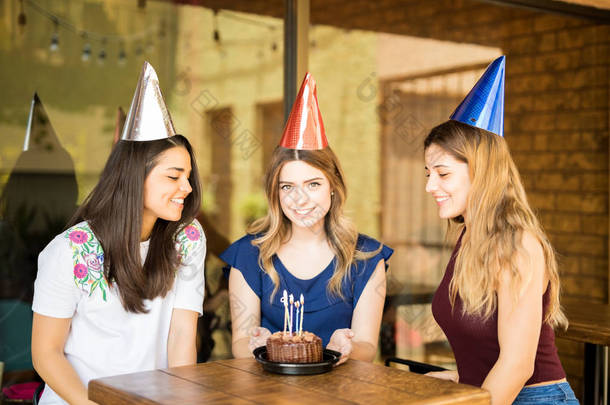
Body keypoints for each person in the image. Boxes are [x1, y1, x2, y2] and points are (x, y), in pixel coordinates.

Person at [31, 62, 206, 405]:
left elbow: (182, 334)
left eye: (187, 175)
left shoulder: (188, 237)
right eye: (173, 176)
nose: (186, 187)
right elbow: (46, 354)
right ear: (133, 177)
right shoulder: (69, 250)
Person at [425, 56, 578, 404]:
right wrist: (461, 378)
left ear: (482, 170)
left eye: (443, 173)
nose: (430, 186)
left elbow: (517, 365)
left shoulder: (517, 244)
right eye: (427, 173)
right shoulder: (470, 237)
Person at [221, 73, 392, 364]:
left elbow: (367, 347)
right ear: (275, 193)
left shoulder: (366, 258)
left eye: (313, 184)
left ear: (333, 187)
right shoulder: (248, 255)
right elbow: (240, 340)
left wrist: (347, 348)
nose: (300, 200)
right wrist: (254, 344)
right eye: (288, 187)